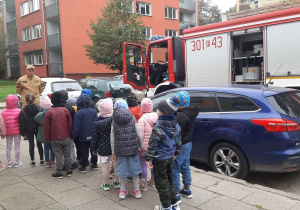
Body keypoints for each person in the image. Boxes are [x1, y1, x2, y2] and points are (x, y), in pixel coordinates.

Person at [145, 96, 182, 210]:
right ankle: (174, 204)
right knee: (170, 180)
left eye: (158, 110)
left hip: (159, 159)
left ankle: (166, 207)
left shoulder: (159, 126)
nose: (156, 111)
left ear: (164, 112)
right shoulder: (176, 124)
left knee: (162, 184)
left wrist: (148, 158)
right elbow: (179, 140)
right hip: (170, 157)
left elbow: (153, 143)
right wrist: (176, 152)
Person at [111, 99, 143, 199]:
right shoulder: (132, 117)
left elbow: (112, 137)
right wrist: (141, 145)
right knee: (135, 169)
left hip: (120, 150)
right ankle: (137, 191)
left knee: (121, 170)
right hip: (133, 149)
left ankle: (122, 191)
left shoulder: (114, 120)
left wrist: (113, 151)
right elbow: (138, 134)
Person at [173, 91, 200, 202]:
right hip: (188, 143)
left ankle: (175, 194)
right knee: (185, 166)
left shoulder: (181, 117)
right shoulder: (189, 112)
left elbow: (175, 134)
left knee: (175, 169)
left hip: (180, 145)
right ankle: (187, 189)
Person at [91, 98, 120, 191]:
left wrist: (93, 149)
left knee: (105, 166)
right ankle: (116, 182)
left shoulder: (97, 123)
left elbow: (94, 138)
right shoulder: (115, 120)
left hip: (103, 147)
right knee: (115, 165)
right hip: (114, 147)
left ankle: (106, 184)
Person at [44, 91, 73, 178]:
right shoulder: (65, 110)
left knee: (58, 155)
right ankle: (69, 170)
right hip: (66, 136)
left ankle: (59, 171)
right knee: (67, 153)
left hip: (55, 137)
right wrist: (70, 134)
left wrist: (47, 138)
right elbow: (70, 124)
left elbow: (47, 127)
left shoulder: (49, 112)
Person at [71, 94, 97, 173]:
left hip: (82, 135)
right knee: (93, 150)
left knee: (84, 151)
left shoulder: (78, 113)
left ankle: (83, 166)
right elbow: (96, 123)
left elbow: (76, 127)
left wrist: (73, 136)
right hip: (93, 135)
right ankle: (94, 164)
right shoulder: (93, 111)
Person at [138, 98, 158, 191]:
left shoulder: (142, 119)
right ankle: (153, 180)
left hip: (144, 147)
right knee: (153, 163)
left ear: (142, 108)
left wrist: (139, 145)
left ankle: (144, 183)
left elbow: (140, 134)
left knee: (143, 164)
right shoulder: (157, 116)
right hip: (155, 146)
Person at [19, 93, 43, 167]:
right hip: (38, 128)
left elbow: (21, 121)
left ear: (25, 100)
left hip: (28, 129)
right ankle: (42, 160)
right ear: (34, 99)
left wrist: (22, 132)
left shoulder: (23, 110)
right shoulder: (39, 108)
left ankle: (32, 160)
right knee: (39, 144)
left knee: (31, 144)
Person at [1, 94, 22, 168]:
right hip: (17, 132)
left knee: (8, 147)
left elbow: (2, 124)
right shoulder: (19, 111)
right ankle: (17, 162)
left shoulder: (3, 113)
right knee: (17, 147)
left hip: (8, 132)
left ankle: (9, 162)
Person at [58, 90, 77, 170]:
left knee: (61, 149)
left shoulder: (56, 107)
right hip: (69, 131)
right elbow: (73, 121)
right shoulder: (70, 108)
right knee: (70, 147)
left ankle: (62, 163)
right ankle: (72, 162)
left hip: (59, 131)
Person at [34, 97, 55, 168]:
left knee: (46, 147)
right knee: (52, 148)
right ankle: (52, 161)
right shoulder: (53, 112)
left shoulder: (41, 114)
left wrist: (41, 111)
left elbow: (35, 118)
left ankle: (46, 162)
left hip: (44, 133)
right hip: (52, 132)